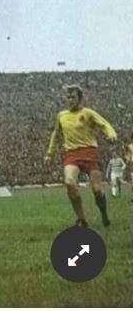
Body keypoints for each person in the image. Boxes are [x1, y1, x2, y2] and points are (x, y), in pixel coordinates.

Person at [45, 85, 117, 227]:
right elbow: (56, 133)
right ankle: (82, 219)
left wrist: (111, 134)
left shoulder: (88, 113)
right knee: (70, 182)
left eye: (73, 97)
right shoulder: (61, 116)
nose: (70, 100)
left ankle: (104, 213)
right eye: (68, 97)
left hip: (89, 152)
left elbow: (104, 124)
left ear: (80, 98)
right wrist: (49, 153)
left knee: (96, 189)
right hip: (72, 154)